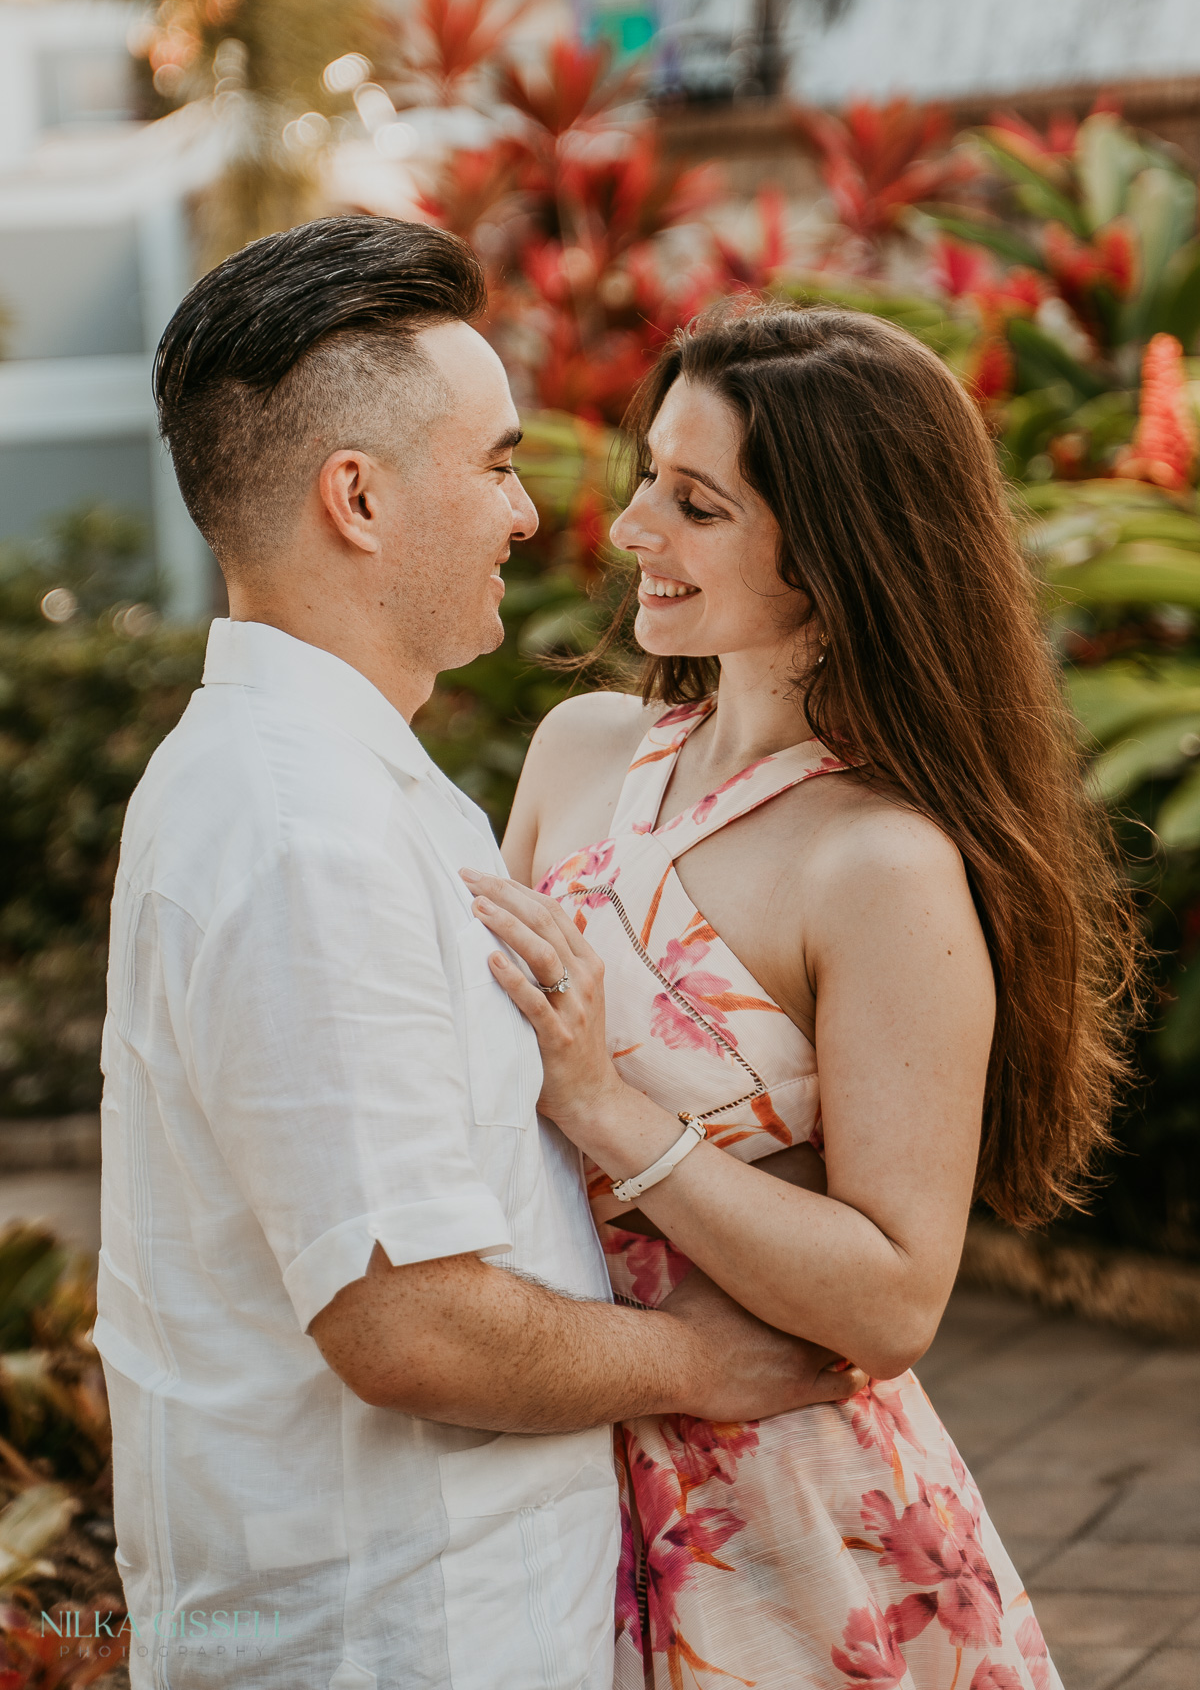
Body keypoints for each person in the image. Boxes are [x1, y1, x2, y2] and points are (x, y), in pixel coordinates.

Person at [97, 222, 866, 1690]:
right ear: (361, 498)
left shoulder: (330, 776)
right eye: (498, 464)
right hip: (398, 1635)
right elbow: (411, 1322)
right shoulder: (300, 833)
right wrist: (707, 1361)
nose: (530, 515)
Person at [468, 303, 1139, 1688]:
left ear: (838, 553)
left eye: (695, 502)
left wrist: (603, 1104)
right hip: (547, 1467)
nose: (630, 527)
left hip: (790, 1523)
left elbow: (895, 1301)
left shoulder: (877, 862)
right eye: (652, 474)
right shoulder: (580, 750)